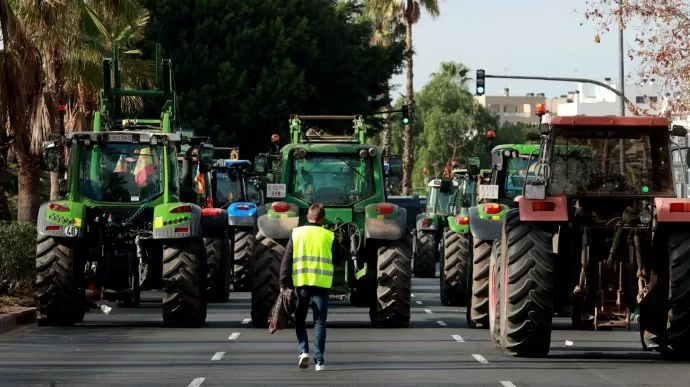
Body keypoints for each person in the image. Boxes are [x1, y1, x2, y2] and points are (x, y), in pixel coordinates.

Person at [279, 203, 338, 371]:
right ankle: (319, 361)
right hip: (322, 283)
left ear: (308, 217)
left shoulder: (297, 234)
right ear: (322, 218)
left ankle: (303, 351)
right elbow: (339, 259)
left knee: (300, 319)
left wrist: (283, 283)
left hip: (302, 283)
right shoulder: (329, 235)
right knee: (320, 322)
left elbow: (286, 259)